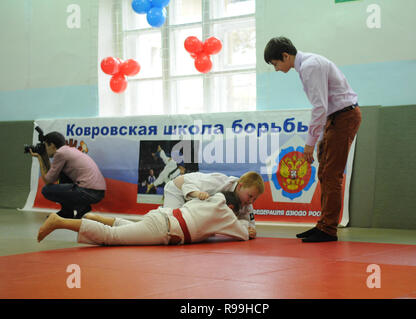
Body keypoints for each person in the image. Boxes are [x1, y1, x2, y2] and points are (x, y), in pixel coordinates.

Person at [264, 36, 362, 243]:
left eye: (275, 64)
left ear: (285, 56)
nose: (276, 69)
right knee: (325, 172)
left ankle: (328, 228)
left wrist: (309, 143)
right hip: (335, 117)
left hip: (343, 116)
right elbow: (323, 107)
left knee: (332, 173)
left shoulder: (309, 66)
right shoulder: (306, 66)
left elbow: (319, 107)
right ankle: (323, 224)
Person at [37, 192, 255, 245]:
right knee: (112, 238)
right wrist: (247, 227)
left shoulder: (211, 197)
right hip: (164, 228)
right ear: (232, 207)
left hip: (163, 217)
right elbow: (243, 234)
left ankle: (98, 217)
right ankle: (60, 222)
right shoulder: (226, 213)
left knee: (129, 228)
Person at [163, 171, 264, 238]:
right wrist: (198, 194)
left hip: (193, 198)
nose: (251, 201)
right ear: (240, 186)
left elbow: (250, 225)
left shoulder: (247, 203)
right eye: (250, 196)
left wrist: (251, 231)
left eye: (255, 199)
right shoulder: (219, 183)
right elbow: (185, 184)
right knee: (169, 227)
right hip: (178, 189)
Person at [29, 131, 106, 219]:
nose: (45, 149)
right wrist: (44, 158)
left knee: (46, 190)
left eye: (46, 146)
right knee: (63, 174)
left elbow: (48, 181)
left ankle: (82, 208)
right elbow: (53, 175)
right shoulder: (69, 150)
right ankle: (67, 212)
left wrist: (40, 159)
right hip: (96, 192)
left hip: (88, 192)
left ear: (52, 145)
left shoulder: (60, 153)